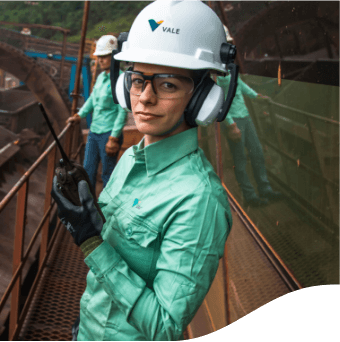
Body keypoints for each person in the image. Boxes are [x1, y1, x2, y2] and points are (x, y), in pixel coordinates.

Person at [52, 1, 235, 340]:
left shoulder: (199, 201)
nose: (145, 98)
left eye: (167, 84)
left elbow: (165, 327)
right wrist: (88, 217)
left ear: (202, 99)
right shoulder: (130, 159)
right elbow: (115, 260)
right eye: (137, 80)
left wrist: (91, 241)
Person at [216, 27, 283, 207]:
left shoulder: (230, 68)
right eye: (226, 44)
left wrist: (258, 97)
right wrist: (230, 125)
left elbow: (240, 87)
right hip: (234, 121)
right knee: (240, 159)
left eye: (229, 44)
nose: (229, 47)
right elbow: (218, 100)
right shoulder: (216, 73)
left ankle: (265, 188)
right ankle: (250, 196)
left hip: (245, 116)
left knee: (257, 153)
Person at [68, 35, 128, 190]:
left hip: (109, 133)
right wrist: (78, 115)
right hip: (94, 132)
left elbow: (122, 112)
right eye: (99, 57)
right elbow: (92, 99)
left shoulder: (121, 79)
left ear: (114, 56)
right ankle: (89, 206)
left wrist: (113, 138)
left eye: (104, 57)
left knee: (107, 174)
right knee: (88, 171)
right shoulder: (101, 77)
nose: (100, 60)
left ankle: (107, 209)